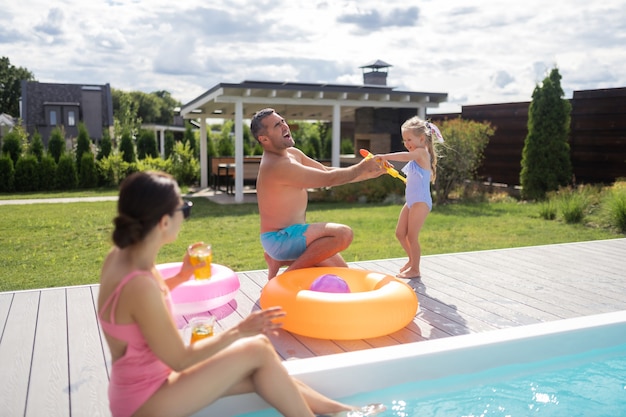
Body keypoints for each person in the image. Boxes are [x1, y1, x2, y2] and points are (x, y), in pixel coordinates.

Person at [97, 171, 384, 417]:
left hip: (145, 384)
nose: (185, 216)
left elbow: (138, 309)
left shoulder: (123, 257)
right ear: (163, 222)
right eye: (184, 209)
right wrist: (239, 331)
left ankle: (341, 411)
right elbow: (180, 360)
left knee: (264, 369)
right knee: (257, 347)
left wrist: (183, 277)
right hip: (144, 401)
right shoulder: (140, 283)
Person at [251, 108, 385, 279]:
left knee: (343, 273)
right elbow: (329, 179)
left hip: (294, 234)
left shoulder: (293, 154)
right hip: (279, 239)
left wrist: (366, 174)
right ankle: (285, 274)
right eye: (277, 125)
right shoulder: (278, 166)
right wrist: (362, 167)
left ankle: (277, 261)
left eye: (283, 121)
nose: (285, 126)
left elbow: (326, 171)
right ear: (264, 139)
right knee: (343, 234)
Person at [375, 116, 443, 279]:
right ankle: (412, 260)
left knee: (412, 236)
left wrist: (386, 156)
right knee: (400, 233)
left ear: (421, 138)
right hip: (412, 201)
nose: (407, 143)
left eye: (409, 139)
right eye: (404, 140)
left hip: (420, 202)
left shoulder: (421, 153)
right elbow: (412, 176)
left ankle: (415, 269)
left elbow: (405, 156)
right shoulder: (415, 154)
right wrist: (388, 165)